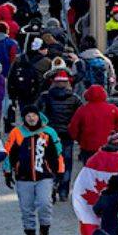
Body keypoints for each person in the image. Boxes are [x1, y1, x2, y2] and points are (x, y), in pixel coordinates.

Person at [4, 104, 65, 235]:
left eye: (34, 115)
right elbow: (8, 153)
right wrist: (7, 172)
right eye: (28, 116)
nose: (31, 118)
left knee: (45, 203)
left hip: (44, 176)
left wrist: (60, 172)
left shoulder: (49, 132)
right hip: (23, 177)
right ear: (24, 118)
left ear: (38, 116)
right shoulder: (16, 133)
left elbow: (58, 153)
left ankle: (45, 232)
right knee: (26, 207)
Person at [38, 70, 84, 202]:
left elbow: (38, 113)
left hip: (49, 135)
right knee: (67, 164)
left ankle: (51, 186)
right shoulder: (75, 98)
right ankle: (64, 191)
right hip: (67, 135)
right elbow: (80, 118)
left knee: (49, 162)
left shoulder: (45, 97)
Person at [69, 84, 118, 164]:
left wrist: (80, 140)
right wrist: (116, 139)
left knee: (90, 170)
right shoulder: (112, 108)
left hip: (88, 146)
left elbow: (73, 128)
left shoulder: (82, 110)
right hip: (109, 146)